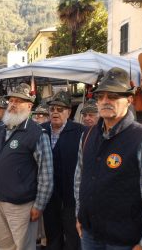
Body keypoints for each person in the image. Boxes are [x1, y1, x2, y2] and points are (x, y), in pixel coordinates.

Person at [74, 67, 142, 250]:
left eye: (113, 96)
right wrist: (79, 215)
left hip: (125, 241)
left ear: (129, 100)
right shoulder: (88, 134)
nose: (105, 101)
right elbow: (79, 179)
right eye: (101, 97)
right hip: (90, 234)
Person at [0, 83, 54, 250]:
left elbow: (46, 175)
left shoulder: (37, 134)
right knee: (3, 245)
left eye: (19, 101)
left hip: (21, 206)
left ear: (29, 106)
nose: (13, 104)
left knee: (23, 246)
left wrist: (39, 205)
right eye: (11, 100)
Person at [42, 91, 85, 250]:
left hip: (71, 199)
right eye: (52, 109)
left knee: (73, 238)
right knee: (52, 236)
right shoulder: (41, 130)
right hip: (49, 198)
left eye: (60, 109)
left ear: (68, 112)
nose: (55, 112)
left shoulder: (80, 131)